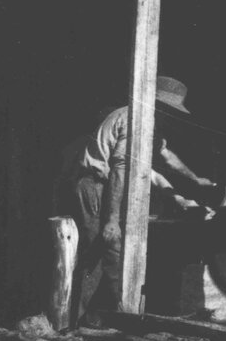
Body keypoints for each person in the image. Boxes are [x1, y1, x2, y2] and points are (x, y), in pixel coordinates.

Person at [71, 76, 218, 320]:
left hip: (109, 186)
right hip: (97, 186)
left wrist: (191, 185)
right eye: (167, 109)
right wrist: (111, 220)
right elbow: (121, 171)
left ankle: (102, 321)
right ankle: (86, 324)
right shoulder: (134, 122)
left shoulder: (149, 124)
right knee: (104, 253)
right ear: (156, 103)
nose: (169, 115)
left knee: (111, 255)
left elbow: (160, 161)